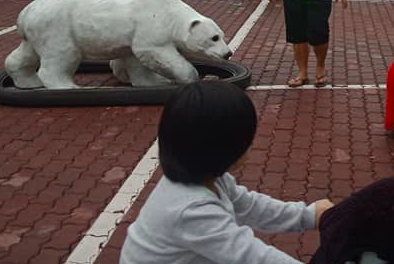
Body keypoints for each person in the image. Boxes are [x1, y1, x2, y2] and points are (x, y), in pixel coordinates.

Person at [119, 81, 334, 264]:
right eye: (246, 142)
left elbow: (251, 207)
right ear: (221, 150)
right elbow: (251, 256)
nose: (250, 147)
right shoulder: (191, 210)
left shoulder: (211, 179)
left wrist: (308, 215)